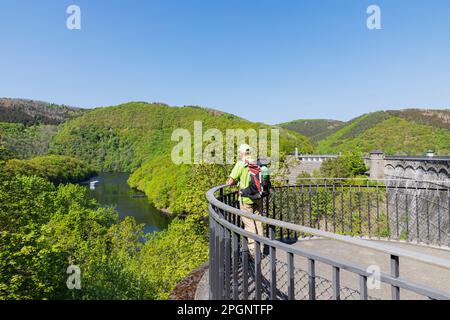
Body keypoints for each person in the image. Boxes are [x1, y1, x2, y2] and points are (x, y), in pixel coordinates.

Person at [226, 144, 264, 256]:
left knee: (249, 225)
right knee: (258, 222)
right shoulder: (257, 162)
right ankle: (261, 249)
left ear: (241, 153)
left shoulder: (241, 164)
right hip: (258, 197)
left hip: (245, 198)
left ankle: (254, 252)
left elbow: (230, 182)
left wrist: (234, 183)